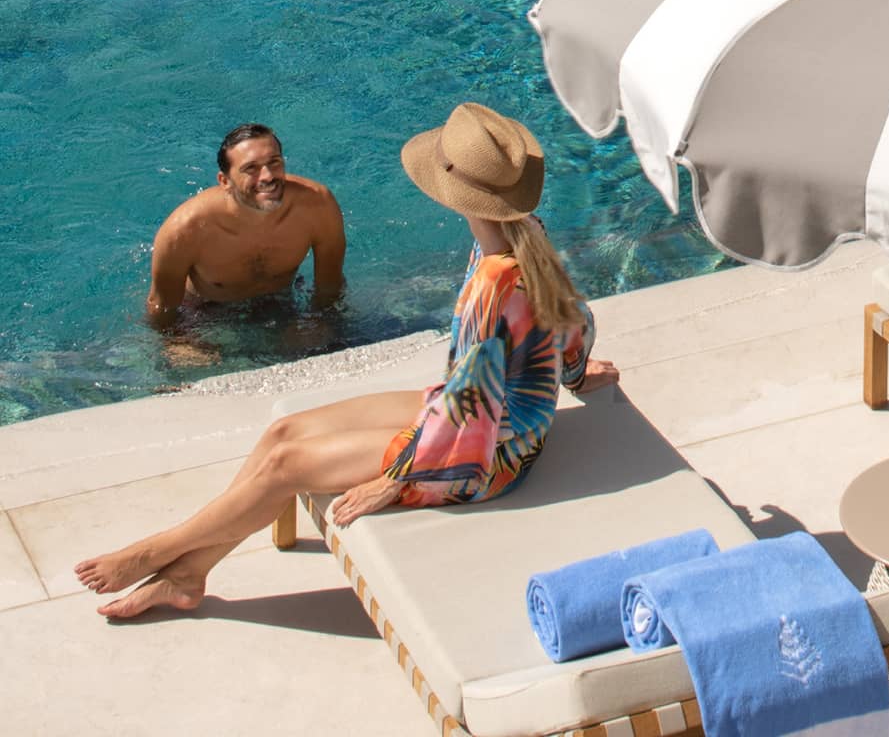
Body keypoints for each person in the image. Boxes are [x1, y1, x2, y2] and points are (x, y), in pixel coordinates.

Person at [78, 103, 618, 620]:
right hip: (488, 420)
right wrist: (573, 373)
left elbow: (467, 408)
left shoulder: (491, 285)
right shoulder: (526, 235)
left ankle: (157, 552)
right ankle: (190, 573)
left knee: (286, 466)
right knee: (284, 433)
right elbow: (574, 318)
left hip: (487, 458)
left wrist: (397, 479)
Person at [145, 124, 346, 325]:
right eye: (251, 168)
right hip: (206, 314)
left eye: (274, 162)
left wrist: (320, 327)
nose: (268, 176)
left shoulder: (317, 205)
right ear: (225, 181)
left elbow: (329, 288)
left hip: (280, 303)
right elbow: (161, 308)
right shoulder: (185, 229)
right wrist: (180, 341)